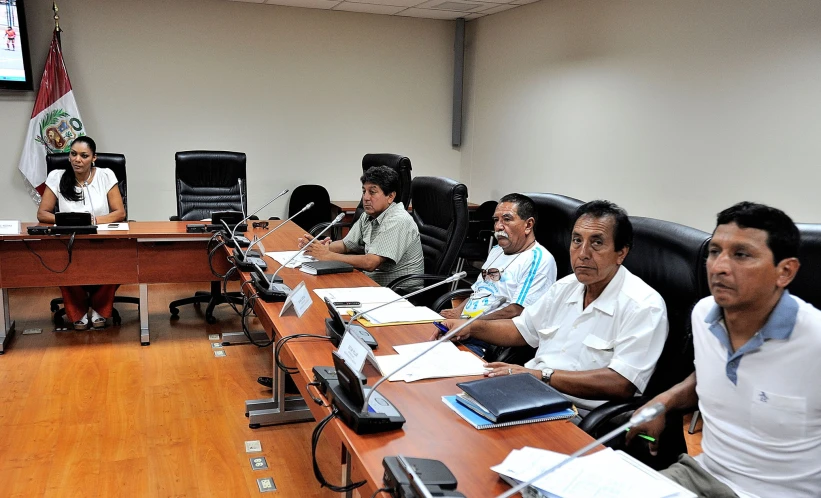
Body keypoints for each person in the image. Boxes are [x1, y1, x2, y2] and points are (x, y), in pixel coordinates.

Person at [627, 202, 820, 498]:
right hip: (702, 474)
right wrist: (663, 402)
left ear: (785, 272)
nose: (719, 267)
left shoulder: (815, 342)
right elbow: (711, 375)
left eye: (741, 255)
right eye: (715, 252)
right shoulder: (704, 314)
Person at [435, 200, 668, 412]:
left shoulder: (643, 305)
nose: (583, 253)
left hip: (578, 414)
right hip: (530, 393)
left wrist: (540, 375)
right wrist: (469, 327)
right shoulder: (566, 287)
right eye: (577, 240)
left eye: (596, 243)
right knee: (447, 405)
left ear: (621, 253)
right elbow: (521, 329)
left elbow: (621, 383)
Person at [37, 136, 126, 330]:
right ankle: (77, 311)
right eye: (73, 154)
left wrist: (91, 221)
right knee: (60, 262)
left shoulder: (105, 175)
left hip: (101, 239)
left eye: (84, 155)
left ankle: (100, 308)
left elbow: (120, 213)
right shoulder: (57, 176)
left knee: (120, 259)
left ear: (94, 158)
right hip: (70, 239)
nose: (77, 159)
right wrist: (68, 221)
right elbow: (42, 214)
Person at [299, 165, 423, 288]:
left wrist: (328, 255)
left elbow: (371, 263)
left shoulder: (398, 220)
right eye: (364, 191)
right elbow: (346, 245)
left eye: (372, 192)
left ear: (390, 196)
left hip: (399, 292)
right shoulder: (368, 215)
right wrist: (317, 248)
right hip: (371, 283)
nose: (366, 198)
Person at [440, 193, 557, 321]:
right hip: (468, 324)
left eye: (507, 219)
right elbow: (478, 292)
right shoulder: (497, 251)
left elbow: (516, 311)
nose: (498, 227)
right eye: (496, 220)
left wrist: (467, 324)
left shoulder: (538, 260)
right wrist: (458, 311)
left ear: (528, 225)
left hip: (491, 333)